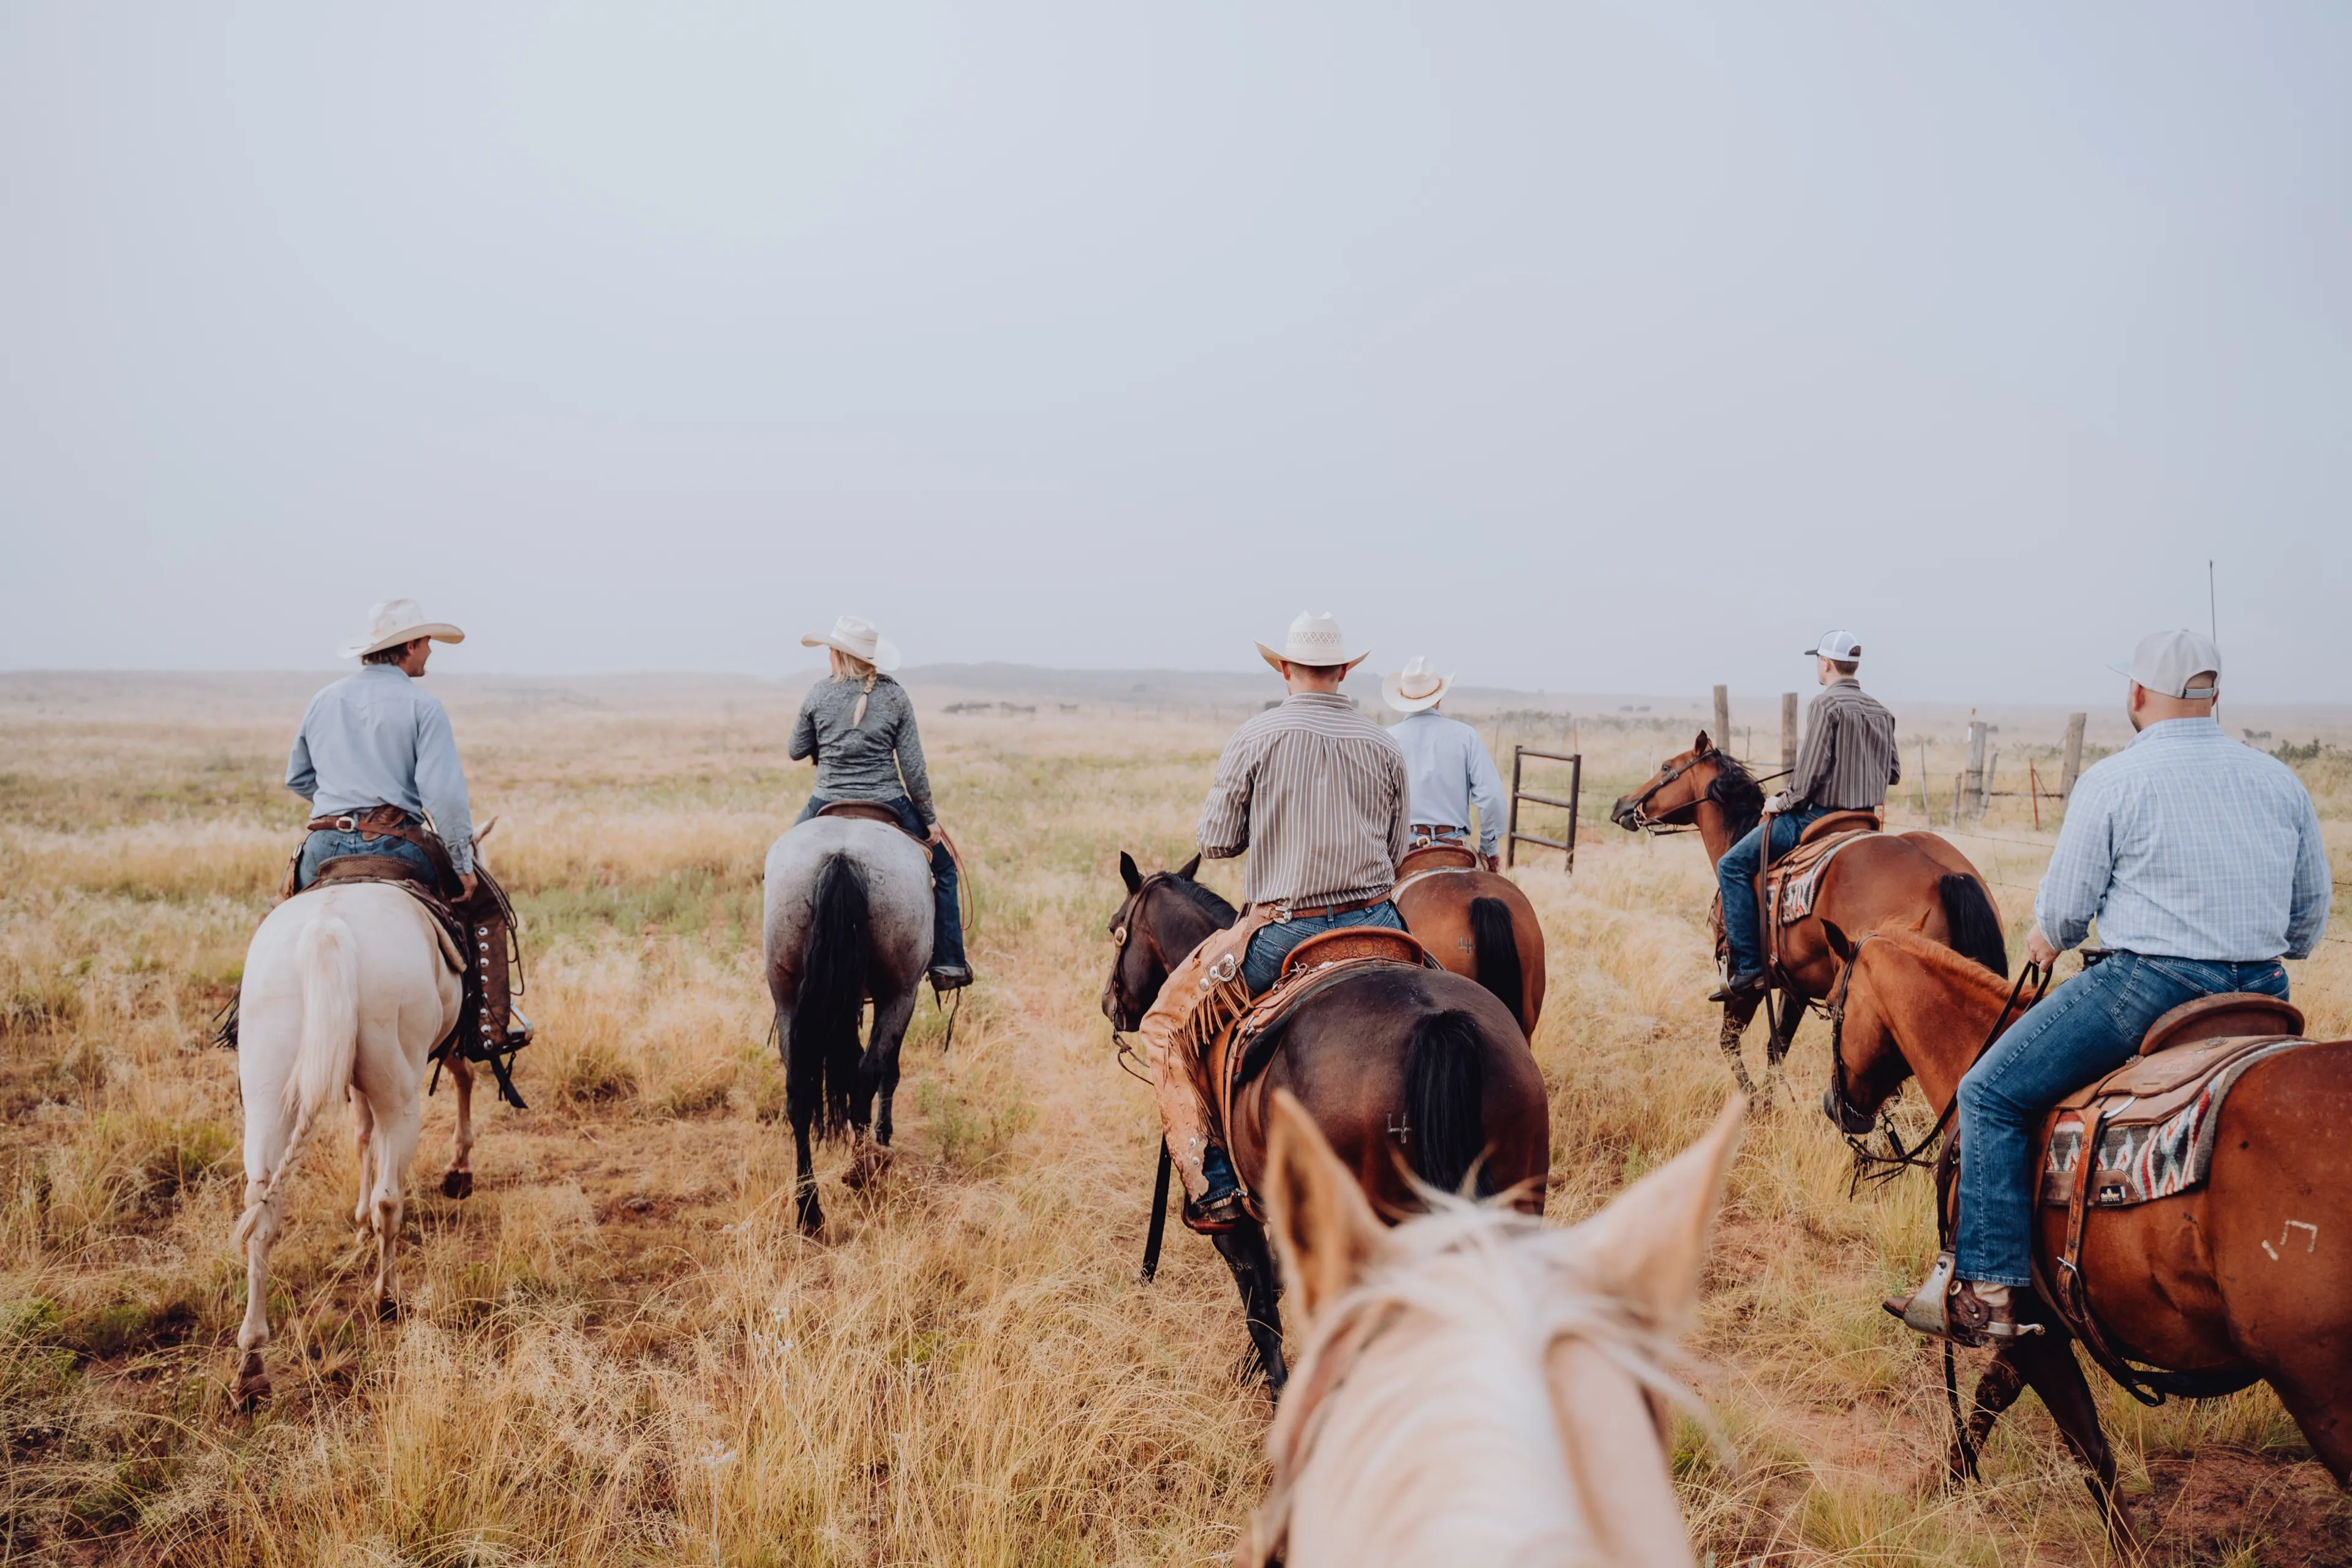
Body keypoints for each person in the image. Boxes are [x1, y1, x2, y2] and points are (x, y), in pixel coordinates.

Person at [1893, 628, 2330, 1344]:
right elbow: (2307, 928)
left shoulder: (2114, 780)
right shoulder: (2279, 780)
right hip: (2264, 995)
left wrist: (2045, 938)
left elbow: (2066, 912)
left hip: (2148, 986)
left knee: (1989, 1093)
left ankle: (1989, 1289)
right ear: (2216, 694)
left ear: (2135, 693)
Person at [1136, 611, 1410, 1231]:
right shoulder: (1384, 744)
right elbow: (1396, 856)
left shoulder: (1256, 736)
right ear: (1342, 671)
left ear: (1286, 669)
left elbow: (1216, 839)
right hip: (1382, 922)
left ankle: (1214, 1184)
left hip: (1285, 930)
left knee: (1165, 1027)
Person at [1711, 630, 1899, 1001]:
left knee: (1731, 866)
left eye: (1818, 660)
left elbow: (1810, 774)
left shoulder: (1825, 705)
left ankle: (1749, 967)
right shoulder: (1882, 711)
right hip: (1863, 820)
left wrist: (1781, 802)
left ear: (1826, 664)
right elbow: (1892, 773)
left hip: (1816, 818)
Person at [789, 614, 971, 990]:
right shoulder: (895, 696)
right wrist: (930, 821)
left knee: (779, 863)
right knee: (946, 870)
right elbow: (914, 770)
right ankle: (949, 962)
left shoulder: (818, 694)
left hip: (826, 798)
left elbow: (795, 750)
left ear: (838, 655)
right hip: (888, 800)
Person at [285, 599, 478, 898]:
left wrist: (346, 804)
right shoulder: (424, 706)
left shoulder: (324, 699)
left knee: (281, 909)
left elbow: (297, 777)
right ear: (411, 645)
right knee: (477, 909)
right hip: (397, 845)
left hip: (325, 844)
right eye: (427, 642)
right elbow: (444, 796)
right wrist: (463, 866)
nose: (430, 651)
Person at [1382, 655, 1509, 869]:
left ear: (1403, 700)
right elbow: (1492, 798)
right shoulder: (1466, 736)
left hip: (1404, 847)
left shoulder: (1386, 739)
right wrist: (1488, 849)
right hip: (1456, 844)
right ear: (1438, 698)